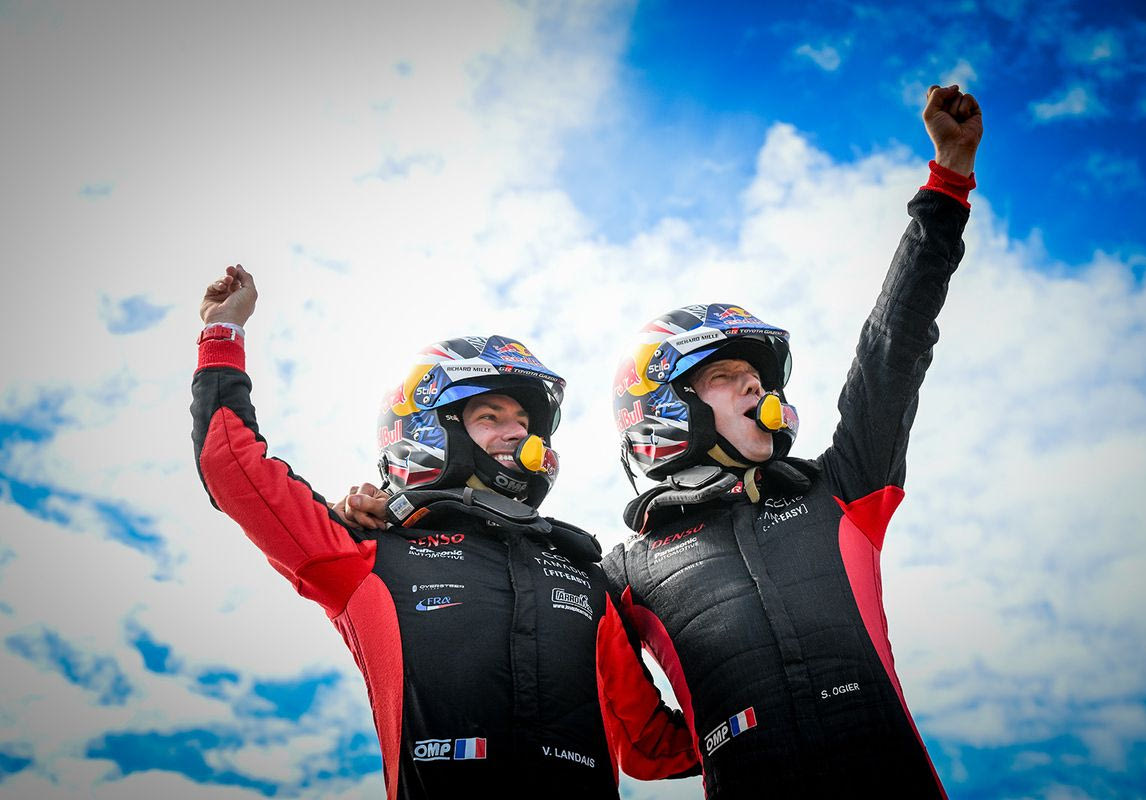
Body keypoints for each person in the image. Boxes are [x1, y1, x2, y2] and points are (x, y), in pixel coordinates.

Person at [600, 84, 982, 797]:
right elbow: (645, 749)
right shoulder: (620, 573)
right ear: (664, 407)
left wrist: (949, 180)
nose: (756, 389)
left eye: (757, 378)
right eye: (726, 376)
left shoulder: (842, 487)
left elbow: (893, 347)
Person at [190, 268, 696, 799]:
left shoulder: (585, 577)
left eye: (524, 422)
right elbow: (234, 469)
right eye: (490, 416)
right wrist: (224, 332)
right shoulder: (367, 552)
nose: (518, 432)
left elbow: (650, 747)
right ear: (432, 430)